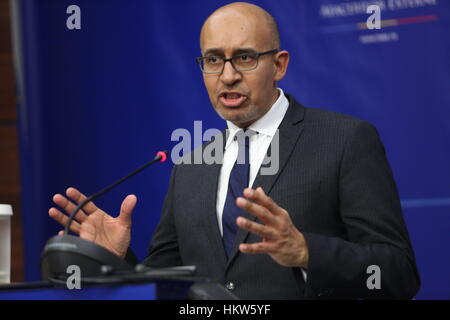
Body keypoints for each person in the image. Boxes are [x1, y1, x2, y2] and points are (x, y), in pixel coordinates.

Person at [48, 2, 420, 299]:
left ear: (279, 65)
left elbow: (399, 273)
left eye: (244, 57)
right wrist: (117, 261)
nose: (227, 75)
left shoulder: (345, 140)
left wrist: (307, 251)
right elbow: (166, 283)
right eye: (213, 60)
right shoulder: (191, 167)